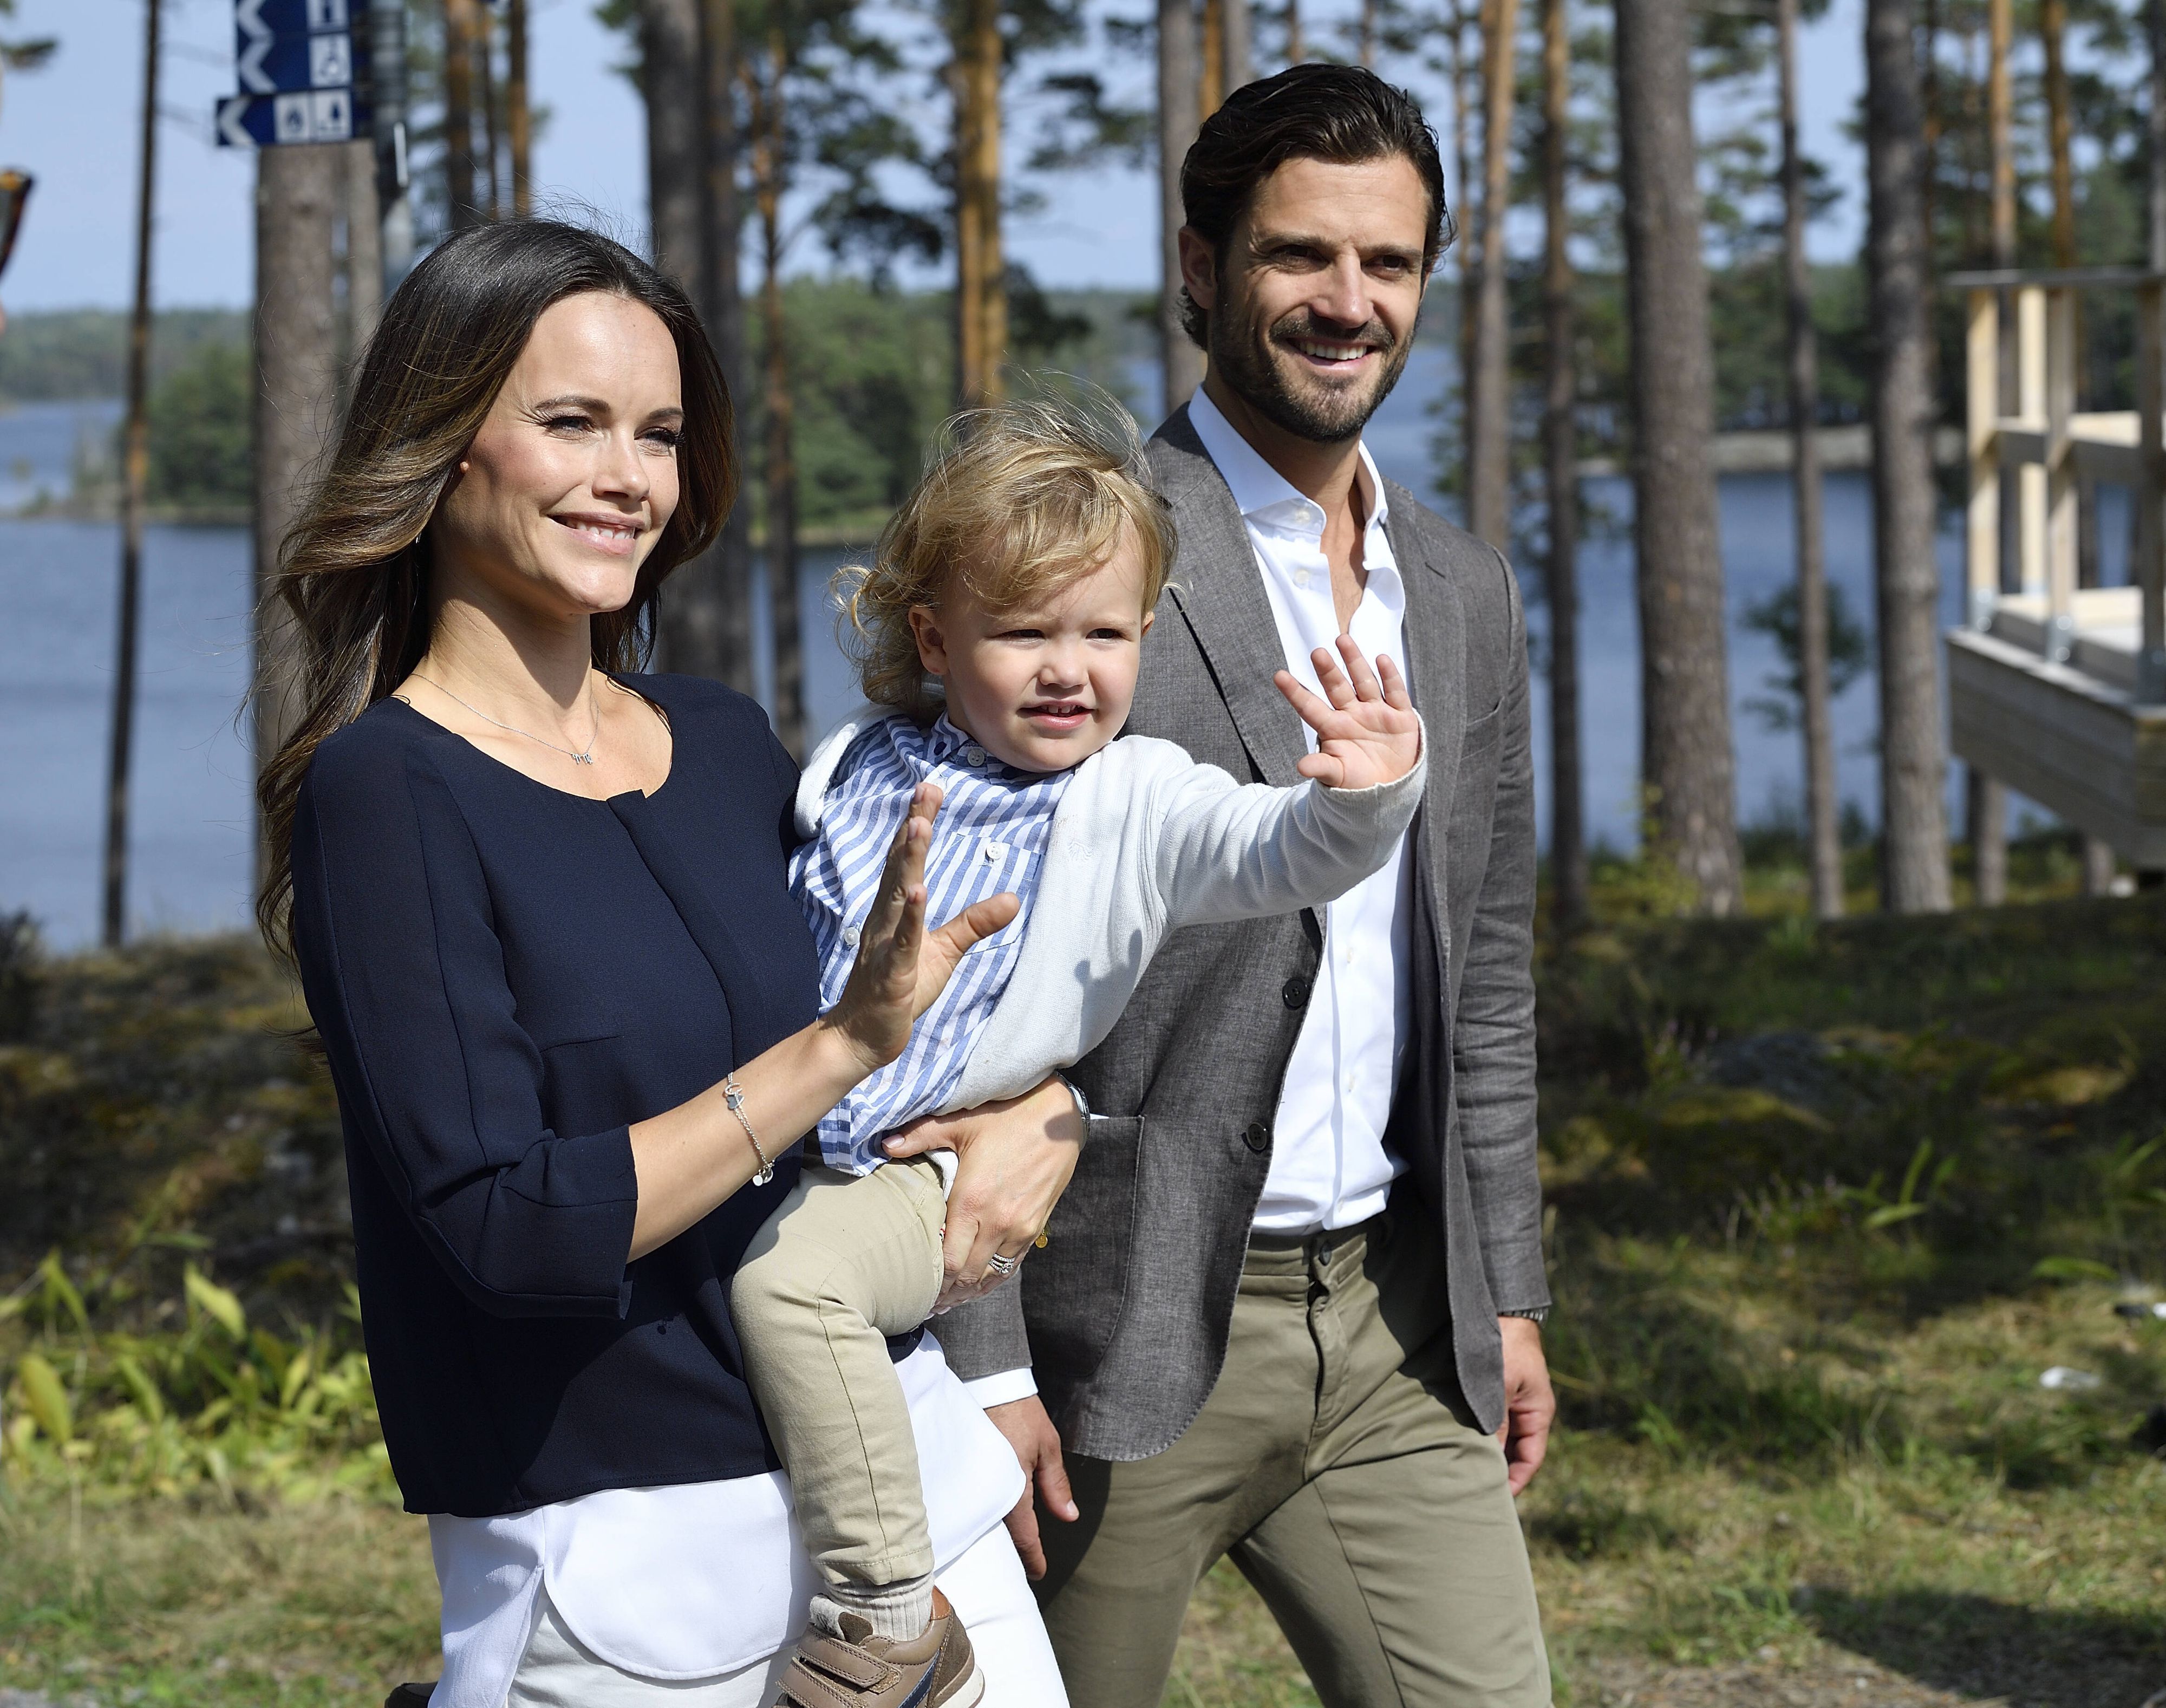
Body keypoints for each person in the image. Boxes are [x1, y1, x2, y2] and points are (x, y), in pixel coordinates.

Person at [256, 218, 1080, 1708]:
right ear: (446, 448)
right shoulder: (386, 793)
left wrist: (1047, 1119)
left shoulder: (715, 742)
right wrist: (834, 1048)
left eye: (660, 434)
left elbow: (948, 1014)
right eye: (571, 423)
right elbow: (504, 1227)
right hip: (633, 1577)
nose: (629, 479)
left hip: (913, 1505)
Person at [929, 64, 1556, 1708]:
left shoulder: (1467, 592)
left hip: (1398, 1328)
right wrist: (980, 1358)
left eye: (1391, 266)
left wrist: (1506, 1290)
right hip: (1106, 1338)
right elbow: (953, 997)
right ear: (1202, 267)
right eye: (1300, 257)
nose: (1349, 305)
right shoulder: (1087, 564)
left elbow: (1484, 976)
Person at [732, 396, 1427, 1706]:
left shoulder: (1136, 798)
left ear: (1146, 635)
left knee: (789, 1292)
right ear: (934, 638)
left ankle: (885, 1606)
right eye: (1023, 631)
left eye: (1103, 632)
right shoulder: (858, 766)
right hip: (787, 1129)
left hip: (910, 1174)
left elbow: (1278, 850)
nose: (1069, 667)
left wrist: (1366, 793)